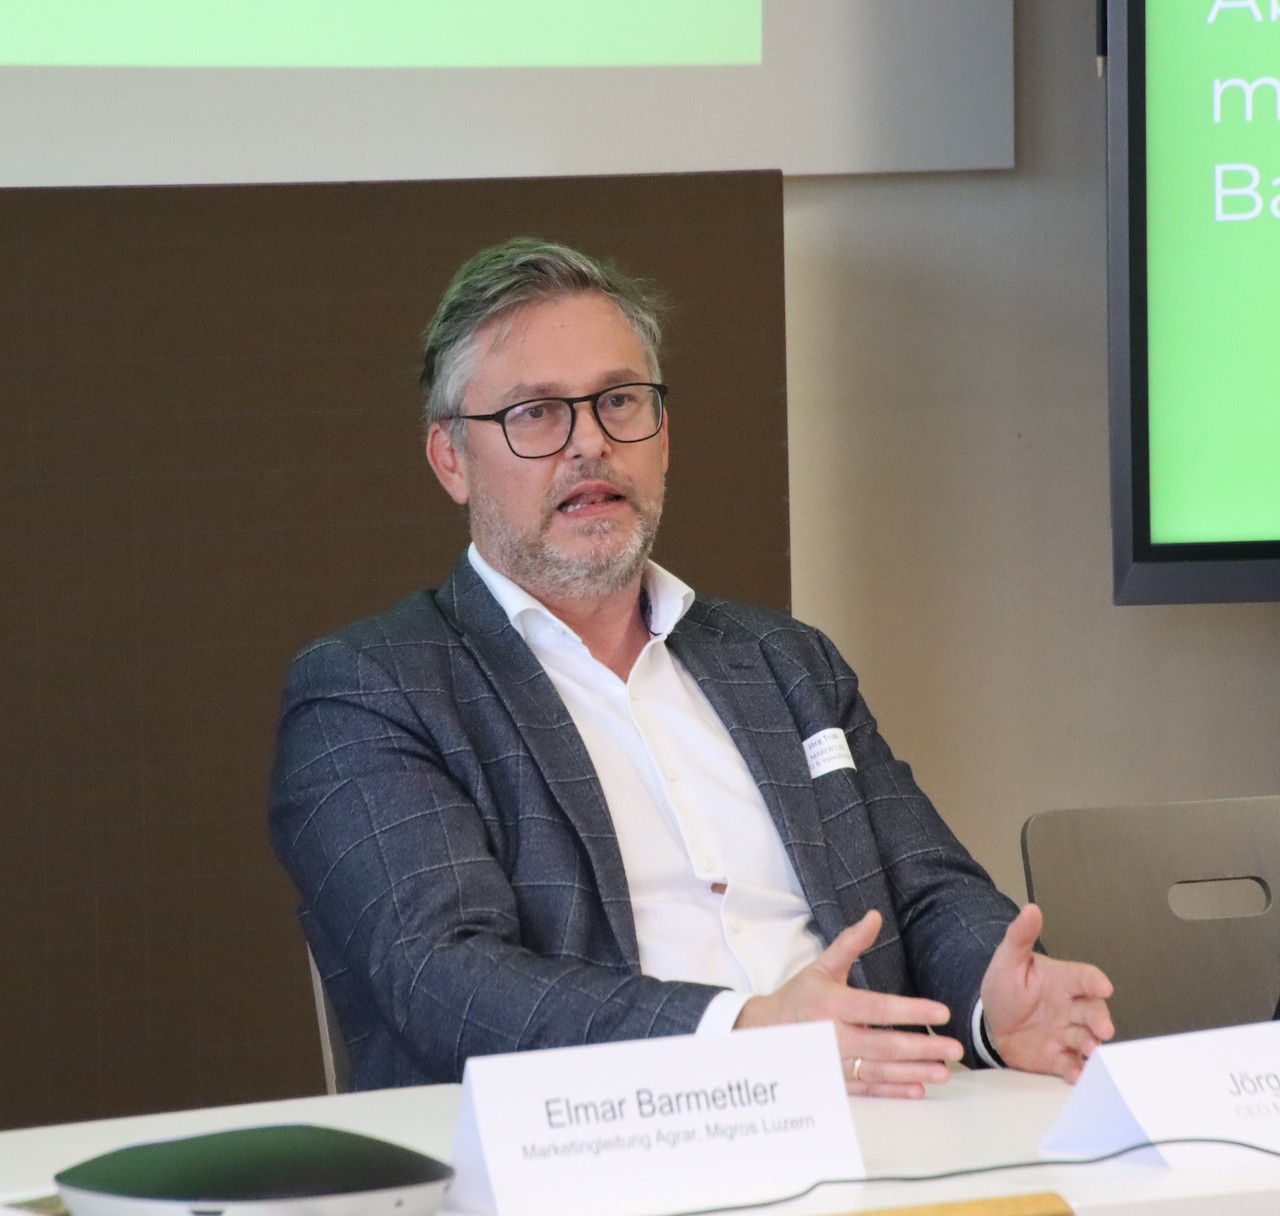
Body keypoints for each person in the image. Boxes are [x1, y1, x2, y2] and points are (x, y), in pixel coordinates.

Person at [269, 237, 1113, 1097]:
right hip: (603, 1142)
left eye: (619, 402)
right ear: (451, 458)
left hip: (877, 1118)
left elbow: (926, 890)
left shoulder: (784, 661)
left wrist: (992, 999)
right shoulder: (371, 691)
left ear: (663, 436)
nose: (591, 443)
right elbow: (444, 977)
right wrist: (744, 1036)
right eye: (537, 413)